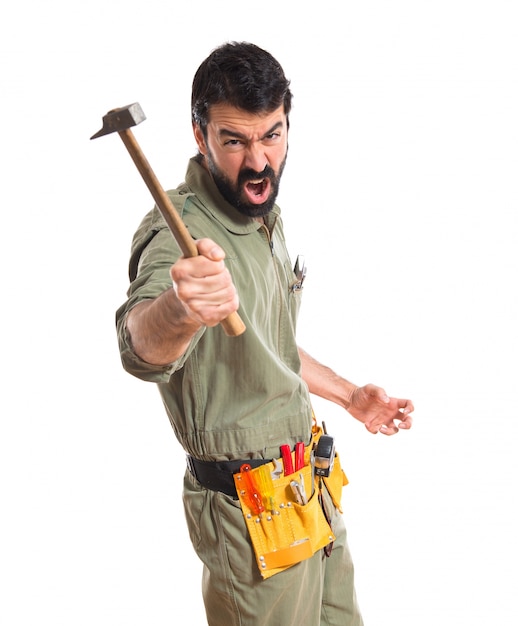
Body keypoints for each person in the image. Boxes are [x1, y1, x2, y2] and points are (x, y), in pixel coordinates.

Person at [116, 41, 414, 626]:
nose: (258, 162)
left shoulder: (260, 217)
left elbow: (264, 346)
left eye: (271, 136)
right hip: (249, 518)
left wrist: (351, 396)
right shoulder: (179, 233)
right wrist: (181, 307)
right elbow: (139, 346)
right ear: (200, 136)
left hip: (307, 488)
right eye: (234, 140)